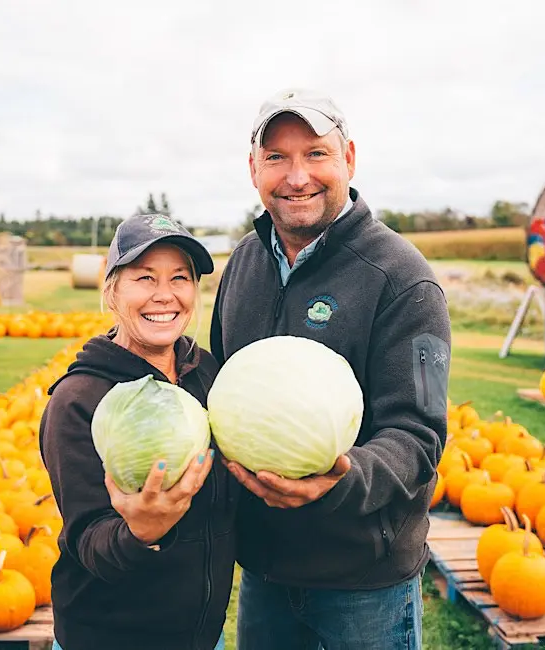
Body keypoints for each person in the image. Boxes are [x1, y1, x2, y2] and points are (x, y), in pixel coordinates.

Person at [209, 88, 452, 650]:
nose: (297, 177)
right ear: (253, 169)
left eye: (315, 153)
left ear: (349, 158)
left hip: (363, 580)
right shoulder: (244, 263)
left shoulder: (405, 278)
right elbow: (222, 383)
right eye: (277, 157)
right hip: (265, 569)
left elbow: (421, 434)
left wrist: (341, 479)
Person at [40, 213, 238, 650]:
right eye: (144, 278)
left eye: (180, 278)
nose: (164, 296)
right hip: (106, 637)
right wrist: (141, 533)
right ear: (112, 292)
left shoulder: (207, 375)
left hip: (204, 637)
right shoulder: (79, 399)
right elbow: (89, 538)